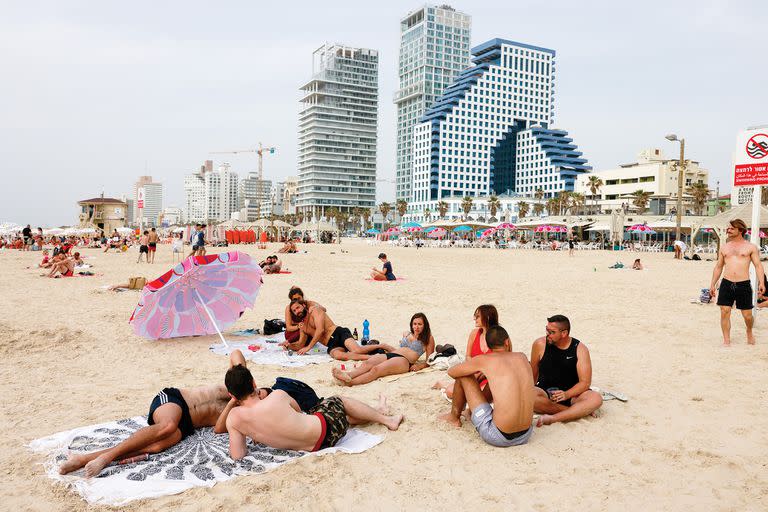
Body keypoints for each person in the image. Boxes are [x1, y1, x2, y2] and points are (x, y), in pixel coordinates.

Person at [222, 360, 403, 458]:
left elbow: (238, 455)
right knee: (337, 400)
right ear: (254, 383)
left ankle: (377, 411)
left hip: (315, 446)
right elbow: (299, 412)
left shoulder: (234, 419)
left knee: (336, 415)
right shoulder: (277, 395)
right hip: (328, 430)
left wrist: (258, 433)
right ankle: (387, 420)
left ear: (232, 395)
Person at [58, 379, 231, 478]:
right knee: (167, 427)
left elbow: (219, 429)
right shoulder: (233, 384)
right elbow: (236, 355)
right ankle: (105, 459)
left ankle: (81, 460)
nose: (257, 397)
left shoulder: (237, 411)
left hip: (186, 427)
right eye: (258, 393)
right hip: (174, 400)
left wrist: (233, 403)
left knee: (155, 447)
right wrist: (243, 388)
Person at [438, 325, 534, 447]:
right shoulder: (522, 357)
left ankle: (454, 417)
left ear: (488, 346)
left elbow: (452, 372)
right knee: (493, 381)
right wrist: (488, 375)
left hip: (499, 436)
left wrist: (478, 372)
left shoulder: (485, 360)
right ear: (507, 341)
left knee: (463, 376)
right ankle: (470, 412)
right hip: (526, 435)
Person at [530, 315, 603, 426]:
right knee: (529, 396)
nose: (547, 334)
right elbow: (533, 375)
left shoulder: (580, 349)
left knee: (596, 398)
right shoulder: (539, 344)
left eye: (552, 332)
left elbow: (585, 382)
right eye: (547, 330)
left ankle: (554, 418)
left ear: (564, 333)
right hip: (545, 393)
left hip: (572, 395)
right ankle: (577, 412)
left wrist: (566, 394)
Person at [332, 312, 435, 386]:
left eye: (420, 324)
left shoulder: (428, 338)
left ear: (424, 325)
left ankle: (349, 383)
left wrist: (420, 366)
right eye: (414, 324)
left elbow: (429, 360)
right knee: (368, 363)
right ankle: (348, 375)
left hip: (404, 361)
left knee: (376, 370)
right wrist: (385, 346)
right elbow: (399, 349)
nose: (416, 327)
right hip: (393, 354)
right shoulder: (406, 334)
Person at [709, 219, 766, 345]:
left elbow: (758, 266)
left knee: (747, 315)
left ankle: (749, 331)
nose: (728, 230)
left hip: (743, 284)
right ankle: (726, 340)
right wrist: (712, 284)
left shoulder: (750, 247)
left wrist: (761, 282)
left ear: (740, 230)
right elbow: (718, 267)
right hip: (726, 283)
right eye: (728, 228)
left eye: (731, 228)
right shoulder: (724, 247)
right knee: (724, 311)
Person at [432, 304, 499, 399]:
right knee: (450, 392)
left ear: (487, 317)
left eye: (477, 316)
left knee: (483, 395)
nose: (474, 318)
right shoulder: (474, 333)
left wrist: (482, 372)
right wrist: (474, 369)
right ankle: (443, 385)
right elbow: (468, 356)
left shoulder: (498, 336)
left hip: (488, 376)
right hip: (473, 371)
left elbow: (500, 361)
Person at [285, 300, 384, 360]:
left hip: (339, 333)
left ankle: (382, 346)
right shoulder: (302, 326)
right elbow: (300, 344)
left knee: (356, 350)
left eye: (298, 307)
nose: (297, 311)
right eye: (294, 311)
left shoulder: (315, 311)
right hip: (331, 344)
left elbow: (320, 330)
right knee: (338, 356)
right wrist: (290, 346)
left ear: (303, 305)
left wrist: (308, 347)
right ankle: (371, 358)